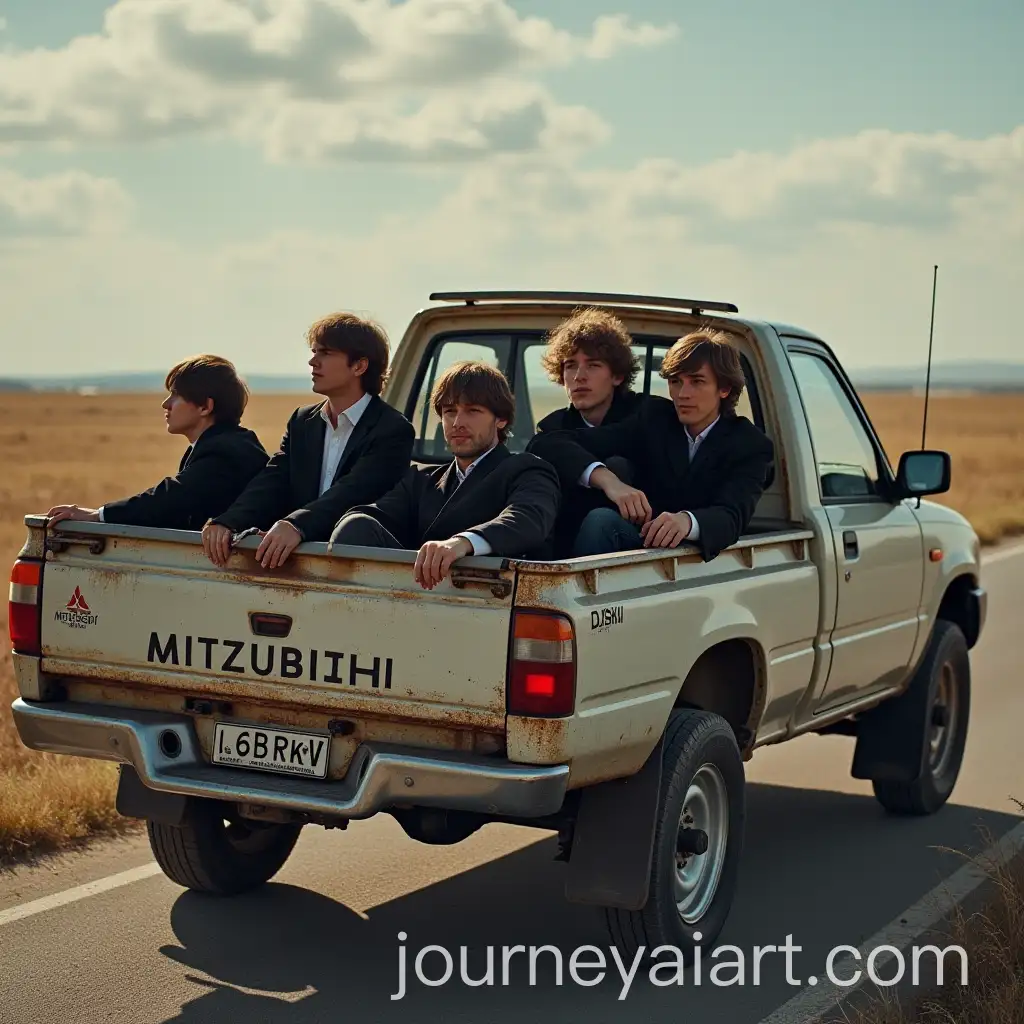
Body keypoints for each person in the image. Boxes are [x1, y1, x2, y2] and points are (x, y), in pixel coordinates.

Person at [527, 329, 773, 562]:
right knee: (600, 520)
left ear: (724, 388)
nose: (683, 394)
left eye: (696, 382)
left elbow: (732, 516)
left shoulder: (749, 443)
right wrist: (608, 481)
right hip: (643, 549)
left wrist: (687, 521)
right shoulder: (655, 419)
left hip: (698, 559)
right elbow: (547, 443)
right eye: (676, 382)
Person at [202, 312, 414, 570]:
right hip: (298, 564)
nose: (313, 362)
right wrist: (229, 521)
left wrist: (296, 524)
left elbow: (353, 491)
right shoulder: (303, 421)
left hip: (358, 571)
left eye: (325, 353)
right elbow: (274, 479)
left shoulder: (393, 429)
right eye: (314, 352)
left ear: (359, 366)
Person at [330, 360, 561, 590]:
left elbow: (526, 519)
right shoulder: (421, 479)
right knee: (356, 525)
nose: (458, 423)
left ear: (500, 419)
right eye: (450, 411)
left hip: (492, 601)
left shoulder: (527, 470)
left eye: (473, 411)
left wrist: (462, 543)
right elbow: (375, 516)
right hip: (415, 599)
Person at [45, 355, 268, 531]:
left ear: (205, 407)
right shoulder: (226, 443)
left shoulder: (223, 452)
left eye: (176, 395)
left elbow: (171, 498)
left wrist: (98, 516)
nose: (165, 404)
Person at [532, 307, 647, 555]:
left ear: (616, 376)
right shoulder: (554, 426)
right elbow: (543, 444)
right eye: (570, 366)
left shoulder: (645, 412)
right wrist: (607, 481)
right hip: (570, 548)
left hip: (644, 545)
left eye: (593, 365)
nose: (579, 377)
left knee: (601, 520)